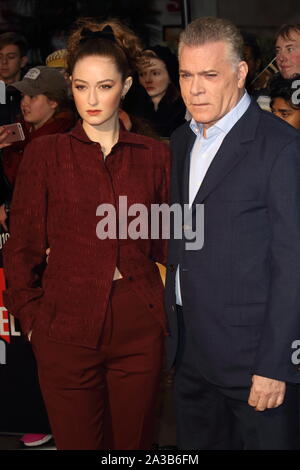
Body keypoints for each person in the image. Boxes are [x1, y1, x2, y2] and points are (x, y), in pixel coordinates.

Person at [3, 19, 170, 450]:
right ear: (71, 87)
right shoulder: (46, 153)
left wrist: (161, 310)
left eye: (104, 86)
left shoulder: (154, 156)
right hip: (64, 326)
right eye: (81, 87)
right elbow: (21, 248)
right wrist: (35, 320)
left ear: (126, 85)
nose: (92, 99)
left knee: (133, 447)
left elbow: (171, 242)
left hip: (138, 326)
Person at [165, 16, 300, 450]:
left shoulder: (279, 147)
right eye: (186, 75)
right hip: (188, 353)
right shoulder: (181, 141)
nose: (195, 88)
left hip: (254, 362)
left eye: (209, 74)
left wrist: (276, 364)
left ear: (241, 73)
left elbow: (293, 264)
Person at [0, 65, 75, 231]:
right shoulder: (18, 134)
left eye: (32, 96)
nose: (24, 102)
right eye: (23, 95)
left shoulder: (65, 140)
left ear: (53, 102)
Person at [127, 45, 186, 138]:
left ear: (170, 75)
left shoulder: (185, 110)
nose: (147, 80)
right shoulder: (133, 109)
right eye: (142, 74)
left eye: (155, 73)